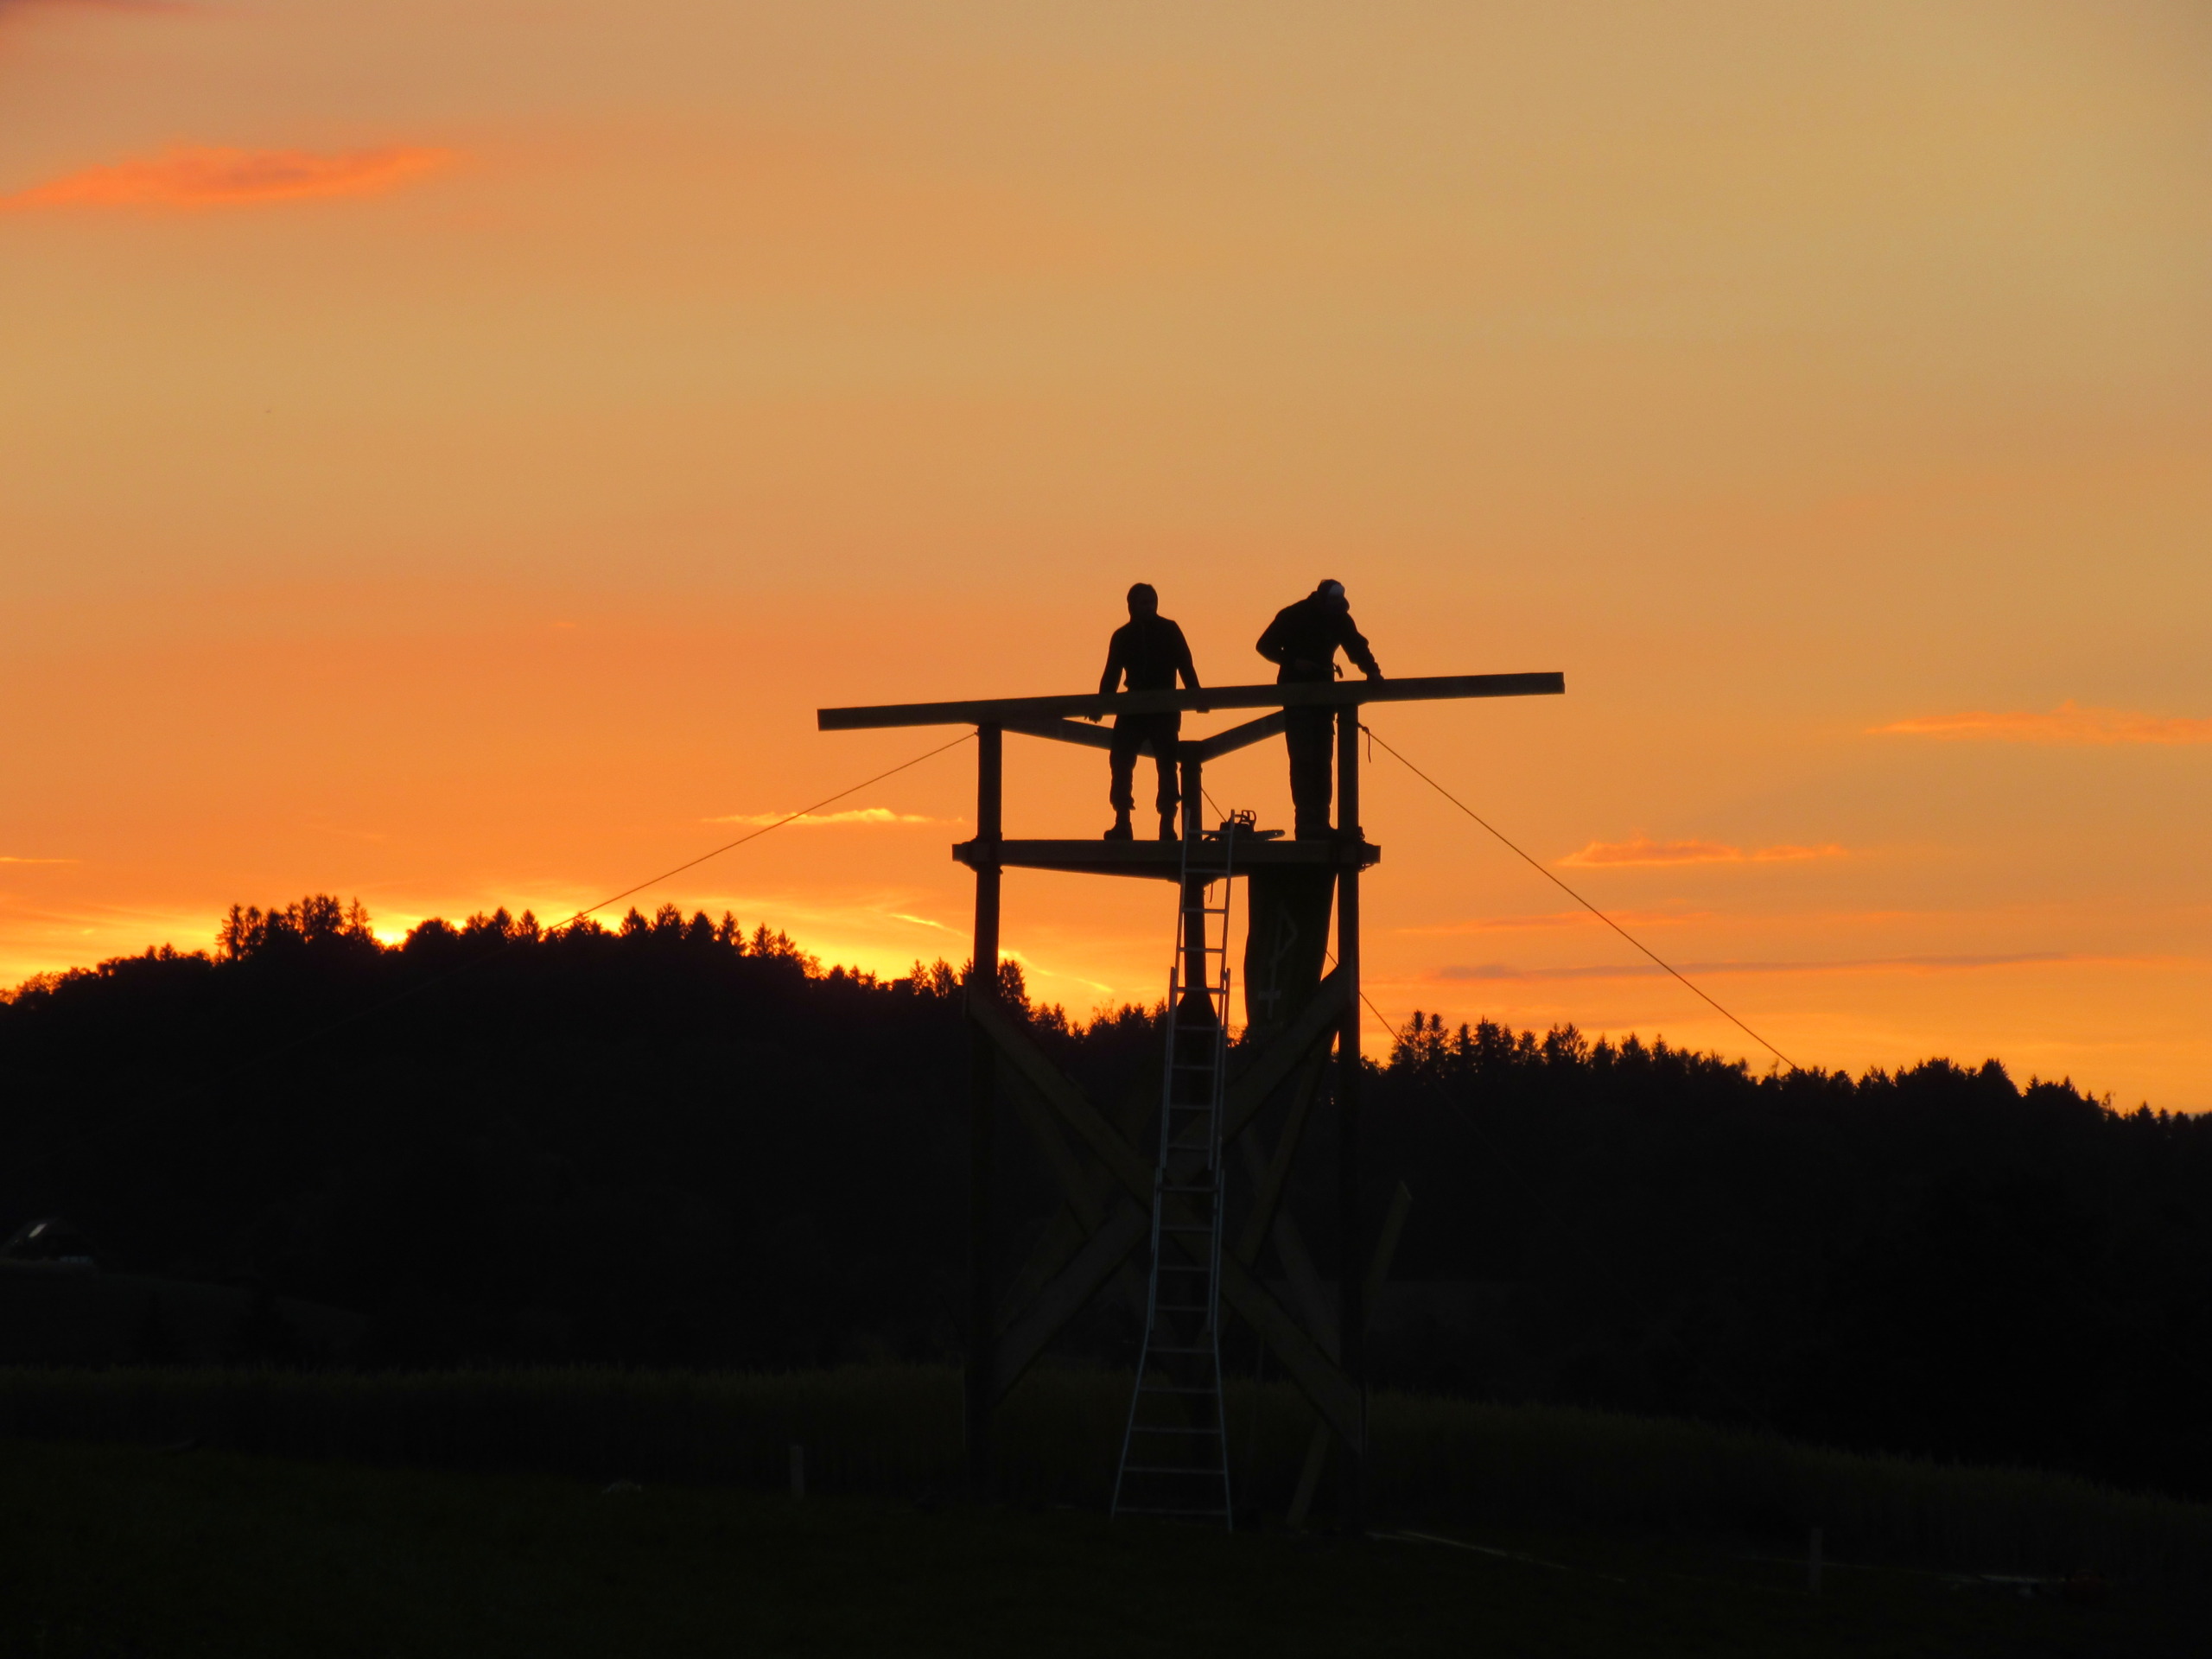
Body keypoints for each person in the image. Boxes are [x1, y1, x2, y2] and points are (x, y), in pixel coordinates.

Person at [1255, 578, 1382, 838]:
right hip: (1296, 690)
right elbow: (1264, 645)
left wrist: (1373, 672)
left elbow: (1356, 647)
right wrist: (1293, 661)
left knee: (1322, 759)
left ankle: (1320, 822)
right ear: (1322, 600)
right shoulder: (1294, 615)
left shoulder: (1340, 618)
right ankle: (1306, 823)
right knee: (1303, 758)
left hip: (1324, 691)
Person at [1092, 583, 1202, 841]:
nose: (1150, 607)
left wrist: (1197, 695)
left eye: (1152, 602)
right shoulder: (1122, 636)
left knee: (1166, 765)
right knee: (1120, 762)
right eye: (1144, 603)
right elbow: (1112, 672)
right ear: (1131, 606)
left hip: (1164, 707)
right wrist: (1101, 705)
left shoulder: (1169, 630)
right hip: (1132, 708)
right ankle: (1123, 822)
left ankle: (1167, 825)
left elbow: (1186, 664)